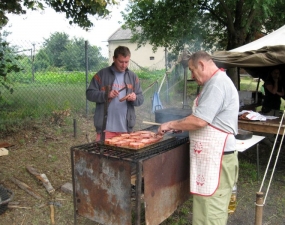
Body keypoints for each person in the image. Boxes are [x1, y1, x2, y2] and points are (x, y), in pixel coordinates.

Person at [157, 51, 239, 225]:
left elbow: (200, 121)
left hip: (218, 159)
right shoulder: (214, 83)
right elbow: (207, 119)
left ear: (202, 64)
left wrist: (171, 124)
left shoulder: (217, 84)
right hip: (212, 159)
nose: (192, 76)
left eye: (192, 70)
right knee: (206, 209)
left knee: (211, 212)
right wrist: (183, 127)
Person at [86, 46, 144, 141]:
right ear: (114, 59)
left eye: (126, 62)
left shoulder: (133, 77)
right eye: (121, 62)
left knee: (125, 155)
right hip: (105, 129)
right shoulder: (102, 74)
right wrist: (106, 94)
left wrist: (135, 98)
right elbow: (89, 94)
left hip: (126, 129)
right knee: (104, 155)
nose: (124, 65)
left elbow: (141, 98)